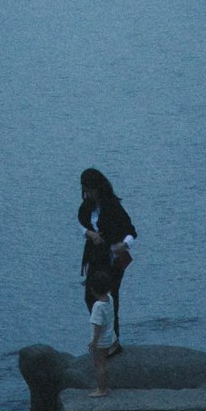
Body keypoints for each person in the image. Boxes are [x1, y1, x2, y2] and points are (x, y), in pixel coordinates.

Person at [76, 167, 137, 390]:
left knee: (109, 298)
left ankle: (112, 341)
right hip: (94, 258)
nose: (87, 194)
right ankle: (107, 339)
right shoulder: (87, 207)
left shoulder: (113, 207)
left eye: (90, 190)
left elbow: (132, 230)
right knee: (89, 298)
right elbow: (81, 223)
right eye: (85, 191)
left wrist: (123, 244)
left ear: (98, 188)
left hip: (112, 258)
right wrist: (89, 233)